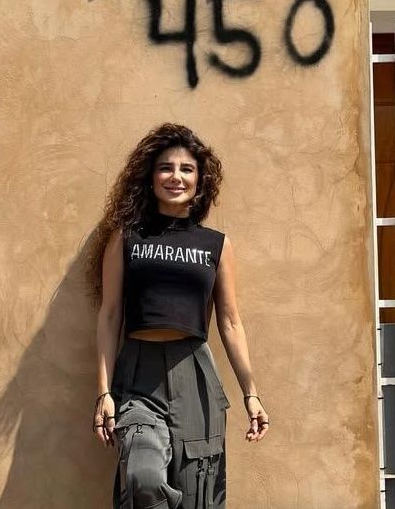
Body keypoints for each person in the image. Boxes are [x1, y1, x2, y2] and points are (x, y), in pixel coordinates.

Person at [87, 123, 269, 509]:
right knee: (142, 477)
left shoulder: (216, 245)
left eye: (187, 169)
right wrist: (104, 391)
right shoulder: (126, 238)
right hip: (139, 377)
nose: (176, 177)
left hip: (196, 375)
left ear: (200, 181)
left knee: (199, 494)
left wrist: (250, 393)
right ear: (150, 177)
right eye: (165, 168)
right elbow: (110, 315)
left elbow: (230, 322)